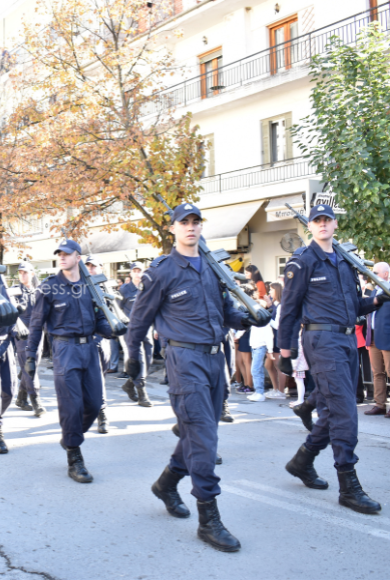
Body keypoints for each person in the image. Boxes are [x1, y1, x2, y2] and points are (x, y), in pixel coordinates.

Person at [125, 202, 269, 552]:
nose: (191, 227)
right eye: (183, 222)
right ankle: (210, 520)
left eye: (195, 222)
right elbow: (139, 321)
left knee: (198, 431)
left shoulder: (212, 268)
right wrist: (133, 362)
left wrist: (247, 319)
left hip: (215, 359)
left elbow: (225, 313)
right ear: (173, 228)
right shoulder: (161, 271)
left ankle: (166, 483)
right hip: (184, 359)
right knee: (204, 438)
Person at [278, 204, 385, 515]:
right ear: (310, 226)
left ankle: (302, 461)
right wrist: (286, 351)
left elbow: (353, 306)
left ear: (335, 224)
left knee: (331, 407)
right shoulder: (303, 260)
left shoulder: (344, 262)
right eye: (317, 220)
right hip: (322, 340)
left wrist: (377, 300)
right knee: (345, 412)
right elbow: (289, 307)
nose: (322, 224)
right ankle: (348, 486)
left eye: (327, 220)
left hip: (348, 339)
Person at [25, 239, 118, 483]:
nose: (62, 257)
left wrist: (113, 330)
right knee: (72, 406)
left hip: (90, 348)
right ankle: (74, 457)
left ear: (78, 257)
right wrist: (29, 356)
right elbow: (36, 325)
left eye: (67, 254)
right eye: (59, 254)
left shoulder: (90, 286)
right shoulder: (49, 287)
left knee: (95, 404)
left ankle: (69, 436)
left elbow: (99, 320)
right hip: (64, 349)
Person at [13, 262, 47, 417]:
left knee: (29, 369)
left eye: (25, 272)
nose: (22, 275)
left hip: (38, 336)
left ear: (32, 274)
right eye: (20, 272)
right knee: (30, 367)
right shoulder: (13, 292)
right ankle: (36, 401)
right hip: (23, 337)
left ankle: (21, 398)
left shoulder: (39, 291)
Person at [85, 255, 111, 433]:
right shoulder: (81, 288)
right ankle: (101, 413)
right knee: (96, 379)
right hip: (87, 340)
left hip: (104, 338)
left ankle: (98, 408)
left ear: (101, 268)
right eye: (88, 266)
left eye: (94, 266)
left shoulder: (106, 288)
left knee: (102, 374)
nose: (91, 269)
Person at [121, 262, 153, 407]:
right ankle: (142, 393)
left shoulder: (148, 286)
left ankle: (129, 384)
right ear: (130, 273)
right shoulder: (124, 290)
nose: (137, 273)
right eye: (134, 271)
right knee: (139, 359)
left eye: (140, 270)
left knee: (148, 358)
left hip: (147, 327)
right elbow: (117, 309)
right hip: (131, 329)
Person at [364, 262, 390, 418]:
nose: (373, 275)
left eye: (376, 272)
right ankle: (379, 404)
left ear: (386, 274)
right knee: (377, 373)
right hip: (373, 336)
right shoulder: (375, 292)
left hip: (387, 337)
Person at [0, 284, 20, 454]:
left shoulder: (3, 285)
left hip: (5, 343)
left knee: (9, 390)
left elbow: (12, 311)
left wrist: (17, 328)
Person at [248, 302, 274, 402]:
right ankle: (258, 391)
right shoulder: (254, 320)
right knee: (257, 370)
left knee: (255, 370)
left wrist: (270, 351)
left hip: (260, 347)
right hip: (254, 347)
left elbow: (269, 337)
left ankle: (260, 392)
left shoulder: (265, 322)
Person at [265, 282, 286, 400]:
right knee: (269, 365)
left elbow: (278, 325)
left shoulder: (281, 306)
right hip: (272, 338)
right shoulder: (275, 304)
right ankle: (276, 389)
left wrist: (266, 319)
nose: (269, 292)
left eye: (271, 290)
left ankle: (281, 391)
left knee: (278, 366)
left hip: (278, 337)